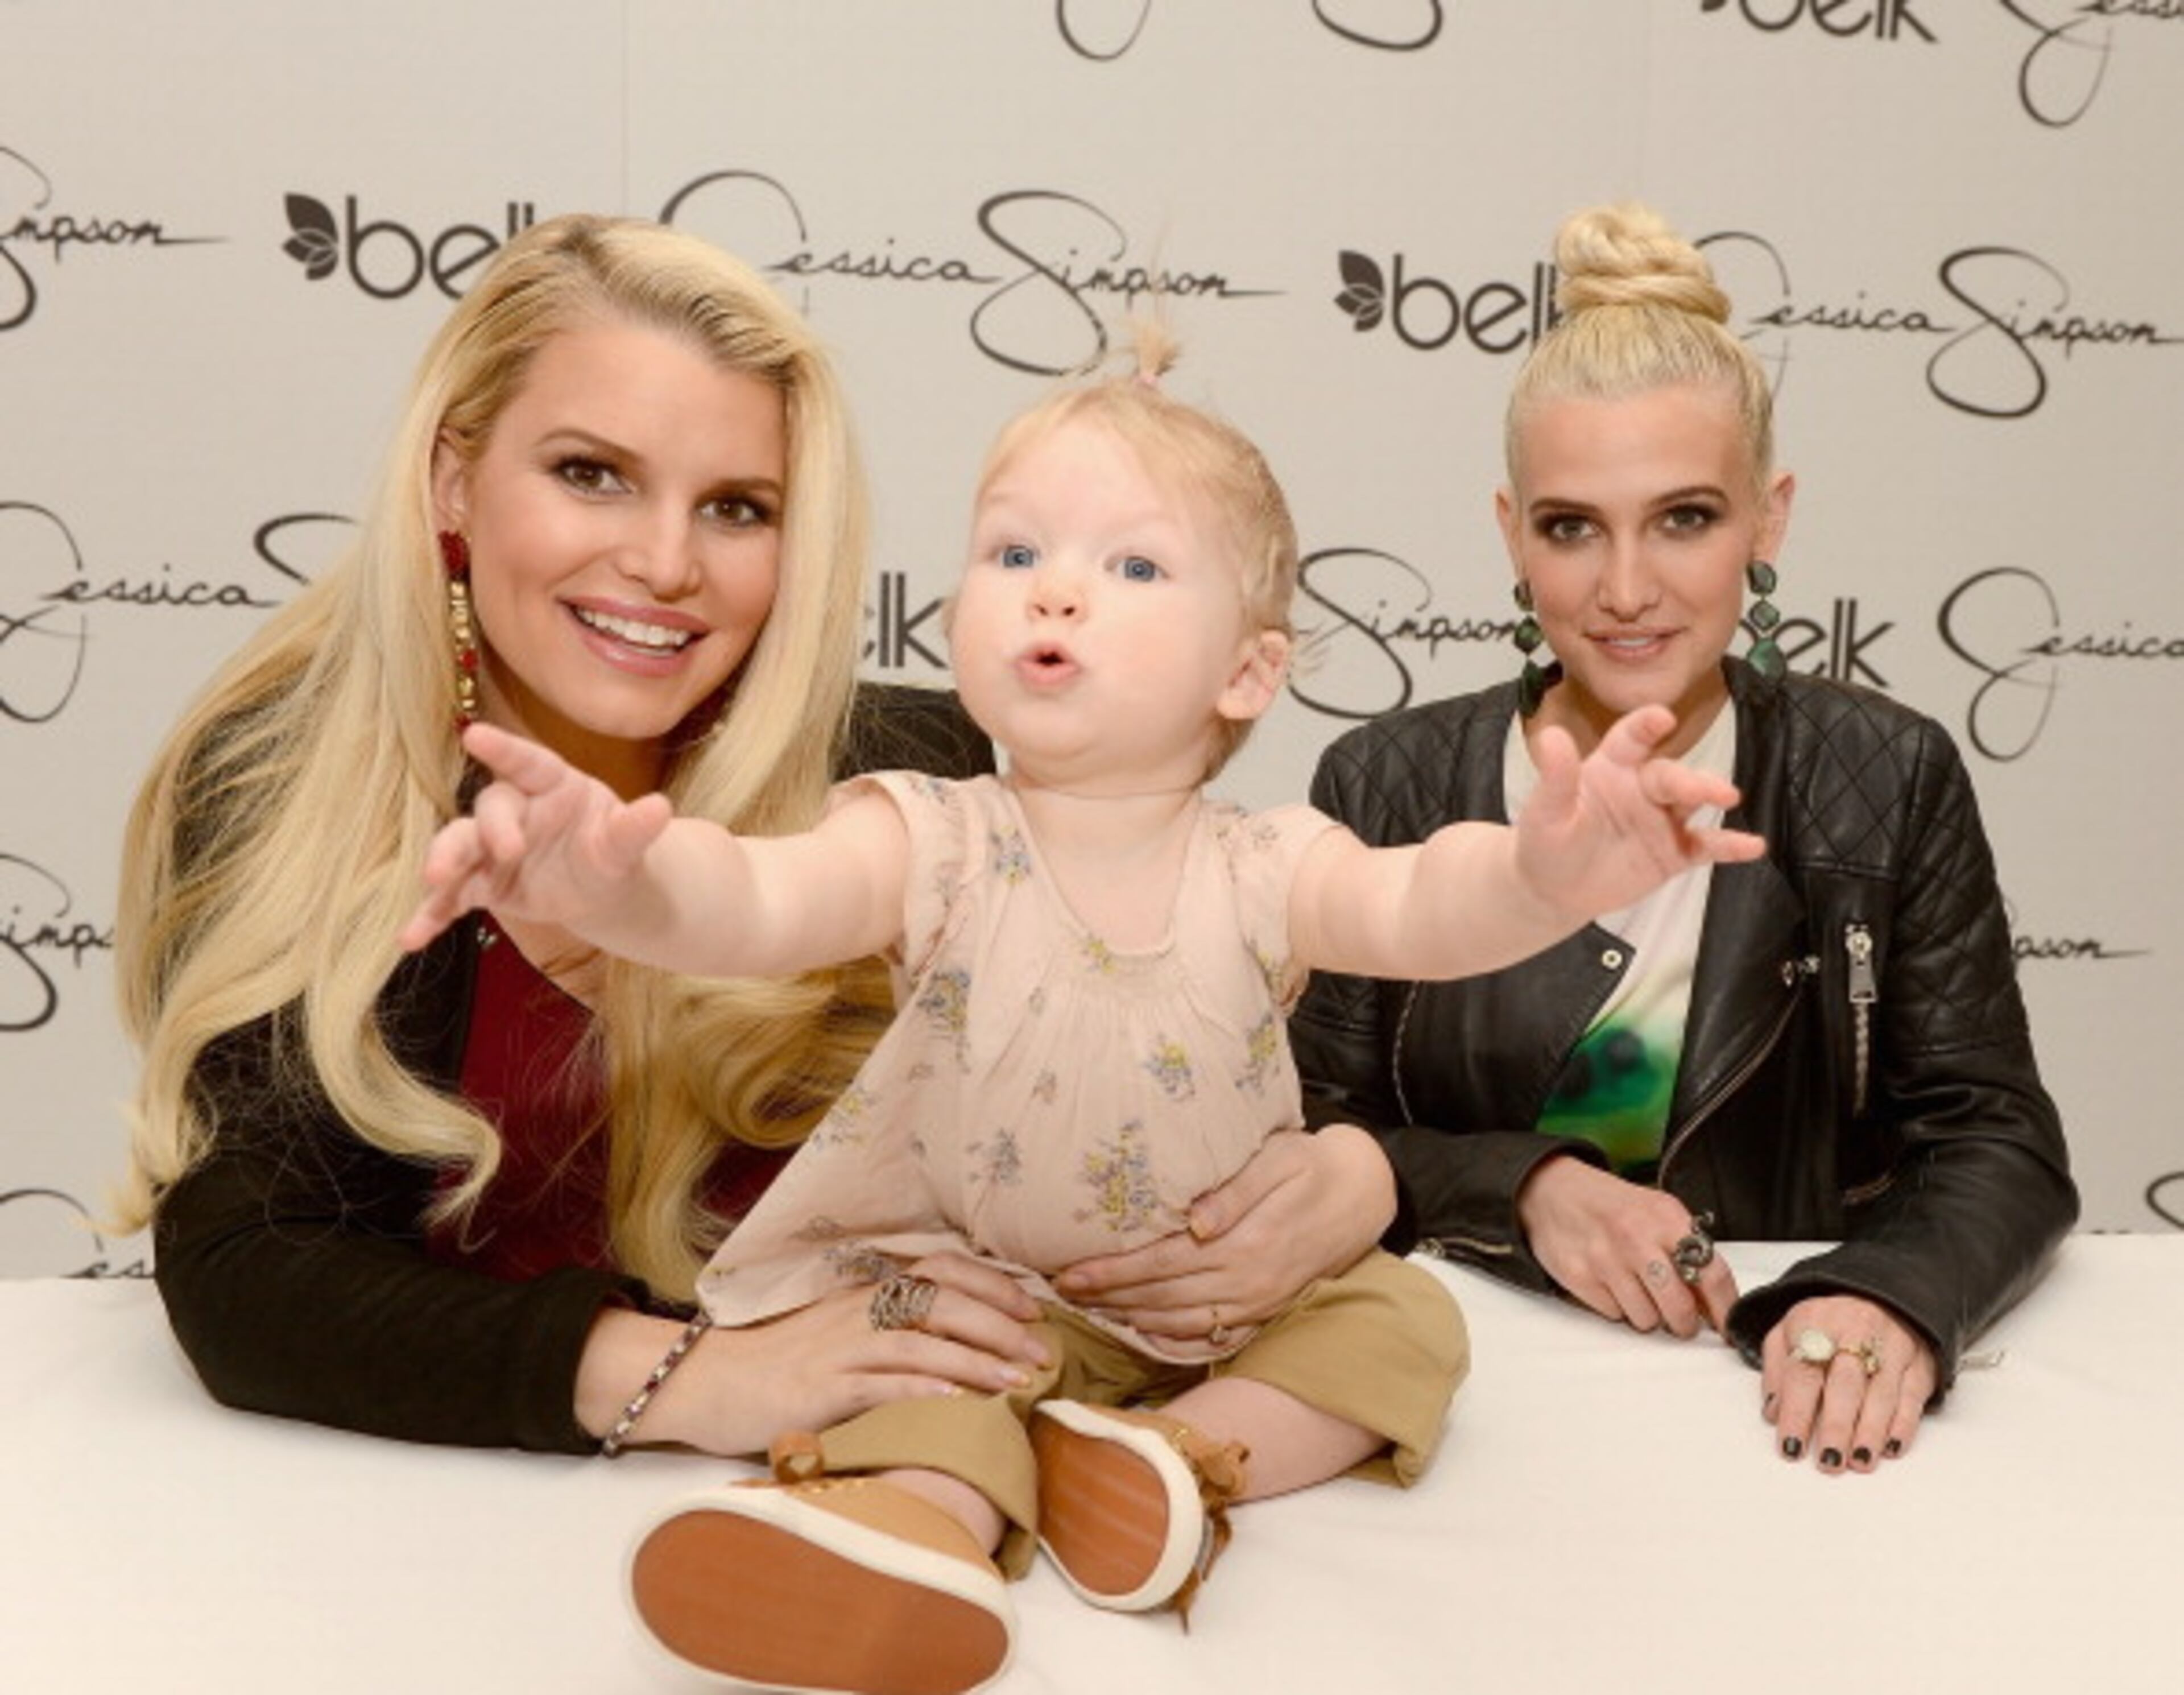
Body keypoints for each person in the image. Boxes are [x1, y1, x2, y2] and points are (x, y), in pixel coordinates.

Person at [402, 328, 1766, 1695]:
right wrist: (617, 883)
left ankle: (1177, 1460)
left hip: (1217, 1307)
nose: (1055, 594)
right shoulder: (926, 833)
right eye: (1014, 554)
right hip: (982, 1296)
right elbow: (751, 899)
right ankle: (900, 1539)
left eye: (1132, 568)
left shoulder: (1265, 861)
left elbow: (1426, 902)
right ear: (954, 612)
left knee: (1404, 1324)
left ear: (1248, 671)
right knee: (924, 1394)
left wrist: (1546, 868)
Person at [114, 213, 1391, 1465]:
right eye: (590, 473)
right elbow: (249, 1272)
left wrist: (1352, 1178)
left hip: (898, 1456)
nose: (665, 561)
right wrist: (694, 1377)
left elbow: (1153, 1053)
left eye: (736, 507)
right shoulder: (282, 776)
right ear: (455, 480)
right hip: (455, 1526)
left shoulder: (906, 768)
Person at [1291, 202, 2078, 1479]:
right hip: (1454, 1400)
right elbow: (1309, 1128)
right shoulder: (1386, 778)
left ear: (1768, 519)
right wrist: (1526, 1187)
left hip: (1768, 1397)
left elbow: (1996, 1137)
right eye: (1571, 526)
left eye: (1684, 517)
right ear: (1510, 532)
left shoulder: (1885, 773)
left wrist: (1880, 1291)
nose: (1625, 588)